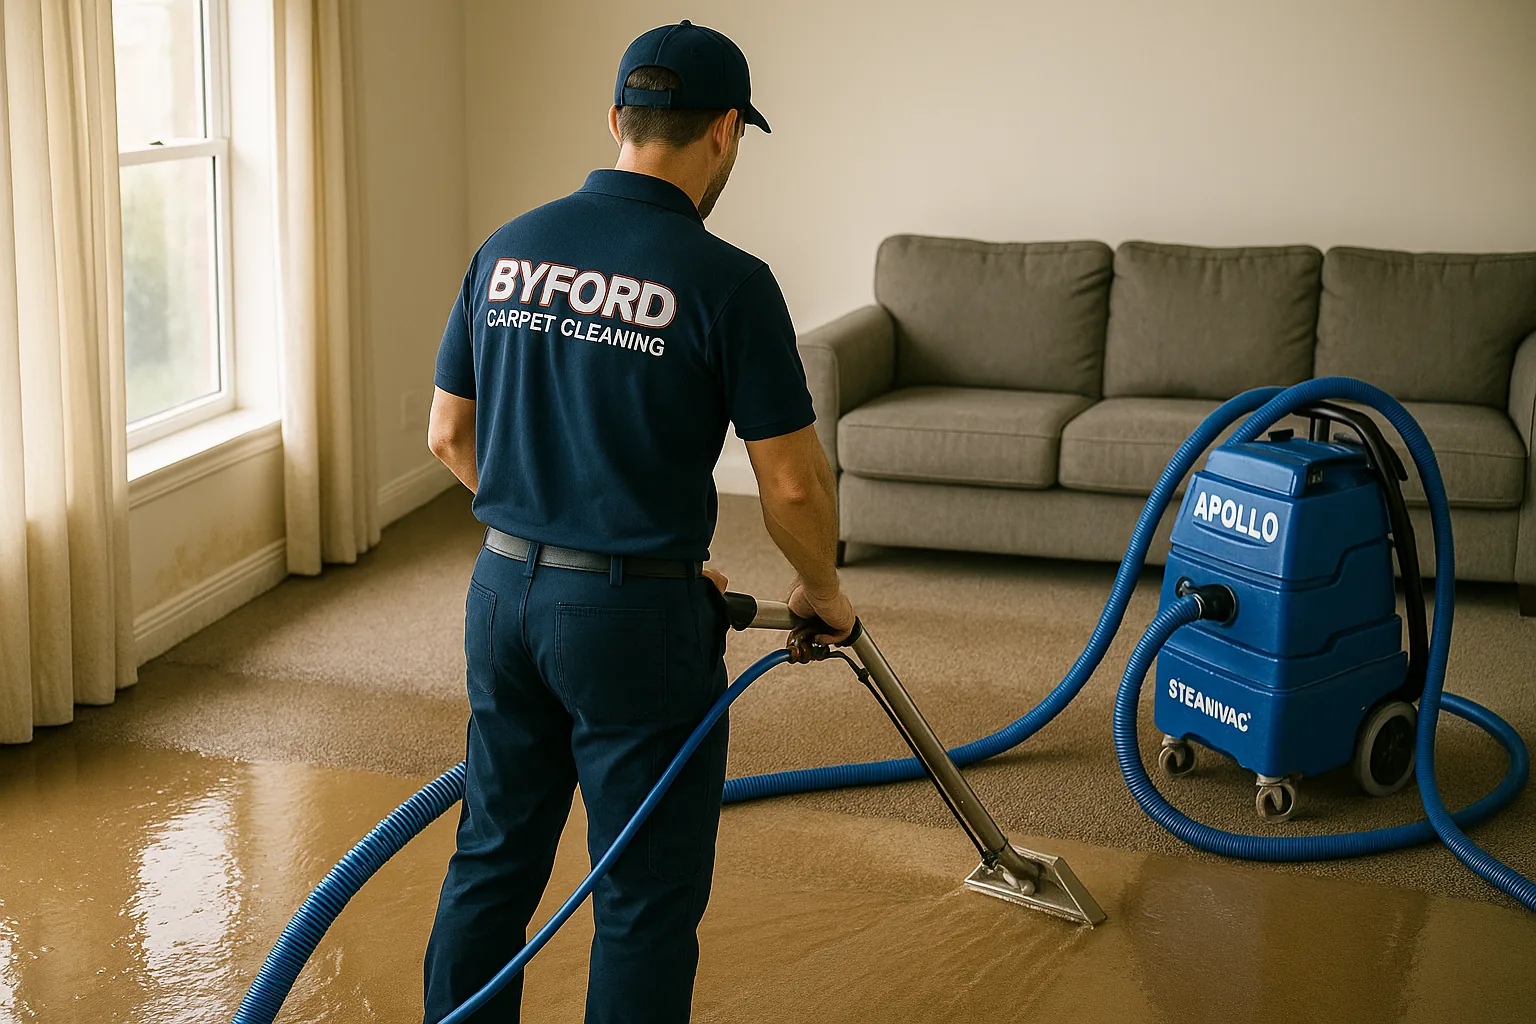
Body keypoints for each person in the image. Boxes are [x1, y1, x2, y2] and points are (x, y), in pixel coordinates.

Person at [421, 19, 855, 1024]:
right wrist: (819, 592)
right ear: (725, 135)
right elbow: (790, 484)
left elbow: (447, 435)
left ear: (618, 118)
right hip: (630, 624)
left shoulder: (508, 247)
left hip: (500, 593)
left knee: (491, 859)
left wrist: (546, 524)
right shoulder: (728, 283)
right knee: (642, 899)